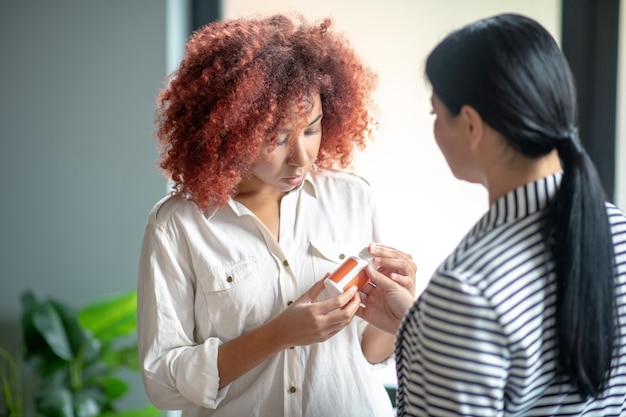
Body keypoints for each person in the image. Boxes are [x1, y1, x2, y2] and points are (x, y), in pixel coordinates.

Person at [136, 13, 416, 417]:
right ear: (231, 130)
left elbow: (366, 353)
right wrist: (278, 335)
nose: (301, 157)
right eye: (277, 137)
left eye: (312, 129)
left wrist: (397, 316)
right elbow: (163, 382)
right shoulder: (178, 226)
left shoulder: (352, 198)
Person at [359, 13, 626, 416]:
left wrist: (440, 324)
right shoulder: (618, 232)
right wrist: (423, 328)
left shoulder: (468, 288)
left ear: (470, 124)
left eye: (436, 114)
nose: (434, 129)